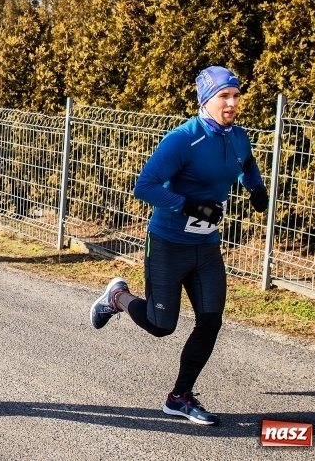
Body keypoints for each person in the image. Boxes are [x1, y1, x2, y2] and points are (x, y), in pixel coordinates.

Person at [89, 66, 269, 426]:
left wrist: (256, 187)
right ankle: (117, 298)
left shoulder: (238, 137)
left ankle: (179, 397)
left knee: (211, 321)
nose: (232, 103)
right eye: (224, 96)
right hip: (168, 244)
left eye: (236, 96)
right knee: (161, 326)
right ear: (206, 100)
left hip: (207, 246)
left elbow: (246, 164)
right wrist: (188, 205)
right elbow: (145, 186)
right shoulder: (182, 140)